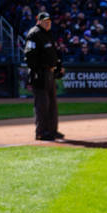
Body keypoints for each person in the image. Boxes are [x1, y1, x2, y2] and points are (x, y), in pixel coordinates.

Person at [23, 11, 64, 141]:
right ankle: (41, 132)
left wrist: (58, 67)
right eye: (45, 21)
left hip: (50, 73)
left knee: (52, 104)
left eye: (49, 21)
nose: (48, 23)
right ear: (39, 21)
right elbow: (29, 56)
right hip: (40, 74)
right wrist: (37, 71)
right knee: (42, 104)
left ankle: (52, 130)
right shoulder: (34, 34)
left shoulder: (48, 34)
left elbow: (54, 53)